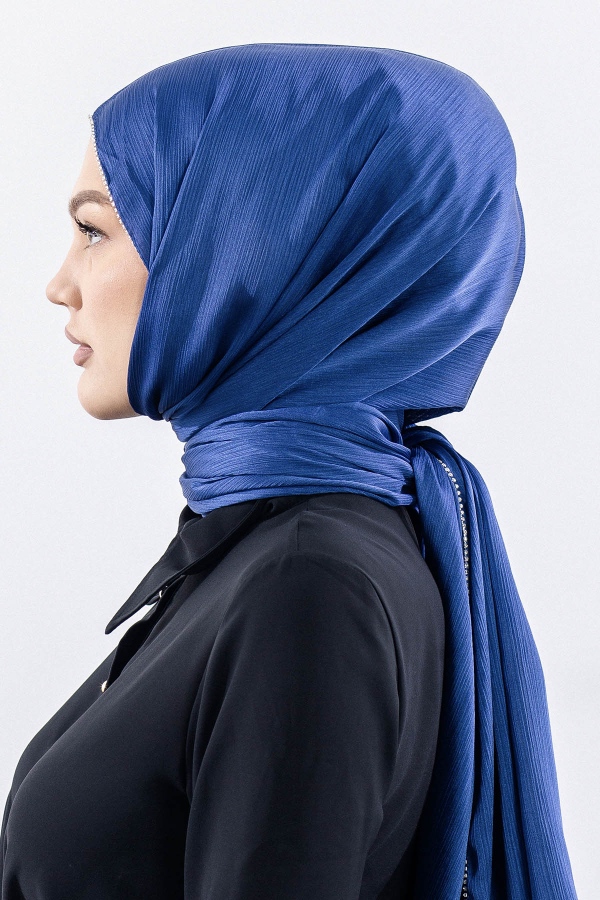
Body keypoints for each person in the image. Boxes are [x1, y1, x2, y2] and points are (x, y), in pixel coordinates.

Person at [0, 43, 577, 899]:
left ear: (239, 248)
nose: (59, 284)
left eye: (94, 231)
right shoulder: (278, 551)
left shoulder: (307, 584)